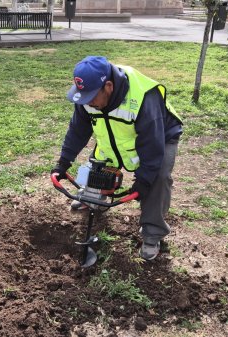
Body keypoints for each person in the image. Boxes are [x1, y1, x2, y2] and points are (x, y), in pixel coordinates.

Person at [51, 56, 183, 261]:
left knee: (158, 178)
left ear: (109, 86)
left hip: (160, 136)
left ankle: (152, 234)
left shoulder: (143, 97)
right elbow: (78, 129)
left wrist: (143, 181)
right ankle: (97, 199)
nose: (88, 103)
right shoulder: (88, 97)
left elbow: (152, 145)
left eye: (91, 97)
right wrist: (63, 162)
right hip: (118, 134)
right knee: (100, 162)